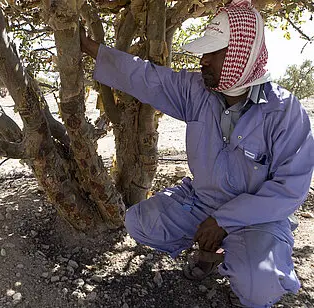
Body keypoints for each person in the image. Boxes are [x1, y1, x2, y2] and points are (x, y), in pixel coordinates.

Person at [81, 1, 314, 307]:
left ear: (239, 56)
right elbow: (145, 76)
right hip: (201, 203)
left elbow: (289, 190)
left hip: (259, 218)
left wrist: (224, 221)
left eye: (212, 53)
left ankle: (237, 253)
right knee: (140, 222)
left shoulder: (285, 112)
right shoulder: (196, 91)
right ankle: (212, 250)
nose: (203, 61)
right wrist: (87, 46)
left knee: (259, 287)